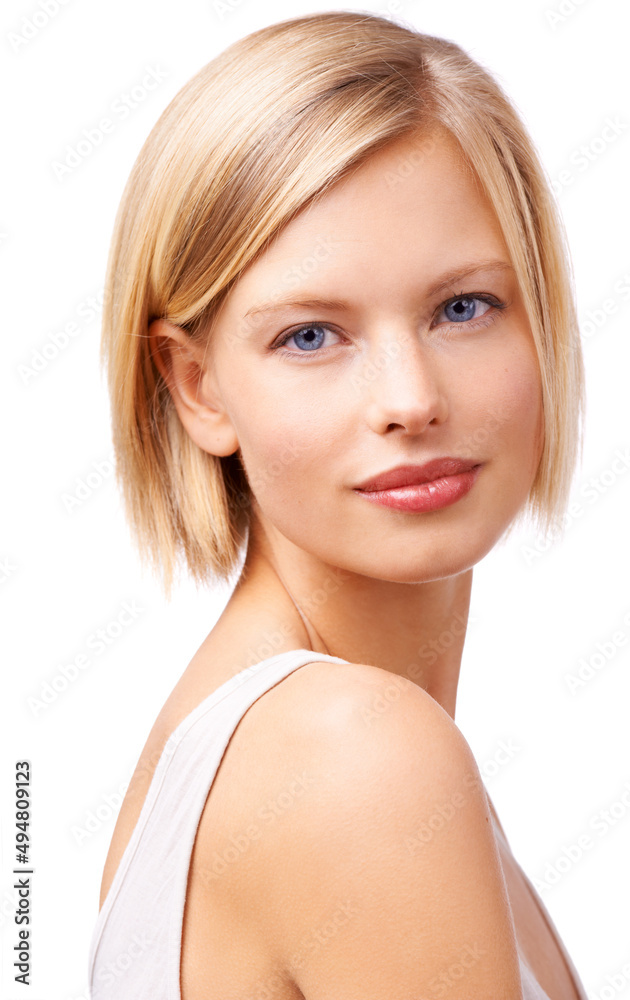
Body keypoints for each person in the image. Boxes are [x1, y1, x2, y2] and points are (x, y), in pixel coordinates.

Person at [88, 10, 587, 999]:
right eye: (312, 336)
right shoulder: (356, 756)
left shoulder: (280, 734)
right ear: (197, 388)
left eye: (462, 307)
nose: (410, 400)